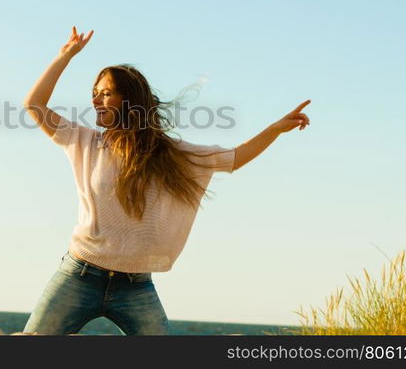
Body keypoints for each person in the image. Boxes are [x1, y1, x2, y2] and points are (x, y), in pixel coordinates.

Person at [21, 26, 311, 335]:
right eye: (94, 94)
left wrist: (276, 129)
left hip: (134, 287)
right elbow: (34, 104)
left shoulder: (171, 154)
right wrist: (66, 55)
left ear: (129, 99)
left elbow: (235, 158)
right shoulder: (85, 142)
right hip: (79, 274)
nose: (96, 100)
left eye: (106, 93)